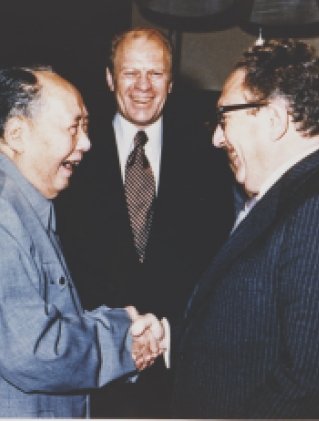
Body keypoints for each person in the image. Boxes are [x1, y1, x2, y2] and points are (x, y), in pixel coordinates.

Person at [55, 28, 234, 417]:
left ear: (170, 82)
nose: (143, 87)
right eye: (130, 73)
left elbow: (215, 258)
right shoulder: (71, 151)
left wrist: (165, 334)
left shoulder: (210, 155)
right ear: (109, 79)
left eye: (155, 74)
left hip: (180, 370)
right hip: (92, 368)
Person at [171, 38, 319, 418]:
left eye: (224, 118)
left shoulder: (315, 207)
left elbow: (307, 379)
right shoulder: (291, 195)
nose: (217, 138)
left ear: (273, 120)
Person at [0, 65, 167, 418]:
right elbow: (32, 351)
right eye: (74, 128)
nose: (87, 144)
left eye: (86, 128)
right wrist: (124, 338)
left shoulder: (27, 207)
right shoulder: (4, 215)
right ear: (17, 134)